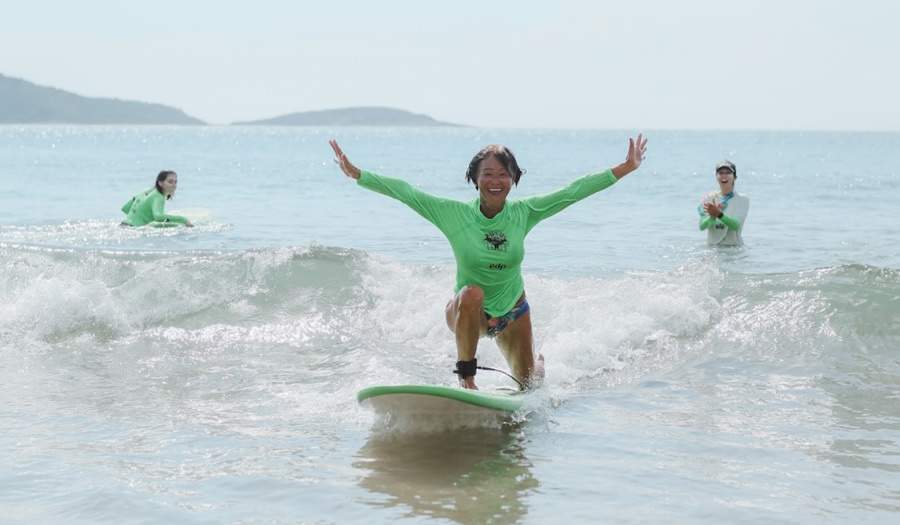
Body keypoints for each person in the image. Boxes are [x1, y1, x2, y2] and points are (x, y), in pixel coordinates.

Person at [329, 135, 648, 390]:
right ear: (474, 179)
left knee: (529, 386)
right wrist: (359, 175)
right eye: (488, 175)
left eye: (503, 175)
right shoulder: (454, 214)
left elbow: (573, 191)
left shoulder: (525, 213)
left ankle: (538, 364)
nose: (496, 181)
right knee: (472, 293)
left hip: (513, 312)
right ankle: (466, 377)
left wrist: (625, 168)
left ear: (513, 179)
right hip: (468, 314)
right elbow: (407, 193)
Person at [698, 160, 749, 246]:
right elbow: (702, 227)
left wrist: (719, 214)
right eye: (720, 173)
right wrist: (712, 217)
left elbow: (736, 225)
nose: (724, 176)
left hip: (734, 249)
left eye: (728, 172)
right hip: (712, 248)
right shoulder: (709, 198)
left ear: (735, 177)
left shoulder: (743, 199)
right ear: (716, 176)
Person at [121, 170, 193, 227]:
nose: (174, 185)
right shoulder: (159, 197)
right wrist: (183, 220)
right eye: (170, 182)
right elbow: (158, 217)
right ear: (160, 183)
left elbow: (125, 208)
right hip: (132, 229)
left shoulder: (146, 192)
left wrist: (141, 218)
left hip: (123, 225)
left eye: (175, 182)